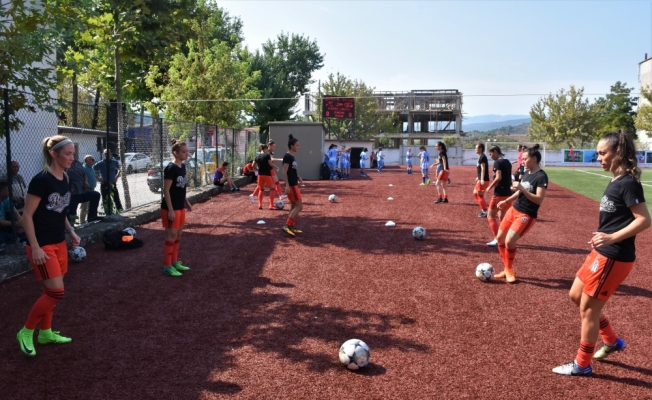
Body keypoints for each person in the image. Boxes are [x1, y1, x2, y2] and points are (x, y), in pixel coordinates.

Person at [552, 131, 651, 376]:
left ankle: (582, 364)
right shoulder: (616, 180)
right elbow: (617, 218)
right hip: (601, 252)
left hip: (614, 256)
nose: (598, 157)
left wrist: (611, 237)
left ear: (617, 152)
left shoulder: (628, 182)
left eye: (602, 152)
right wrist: (602, 236)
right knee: (576, 295)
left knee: (588, 309)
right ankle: (612, 341)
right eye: (598, 153)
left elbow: (644, 220)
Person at [16, 135, 81, 357]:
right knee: (55, 292)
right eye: (68, 154)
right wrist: (34, 247)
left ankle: (45, 333)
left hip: (59, 241)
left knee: (51, 291)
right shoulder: (41, 180)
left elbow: (60, 210)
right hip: (42, 245)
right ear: (54, 154)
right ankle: (26, 332)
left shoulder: (64, 178)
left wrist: (70, 230)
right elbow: (26, 217)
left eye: (73, 153)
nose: (72, 158)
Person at [494, 144, 547, 283]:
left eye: (525, 159)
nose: (522, 161)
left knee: (509, 241)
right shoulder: (527, 173)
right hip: (514, 209)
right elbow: (519, 191)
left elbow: (539, 199)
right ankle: (506, 268)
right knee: (500, 238)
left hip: (526, 214)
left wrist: (522, 188)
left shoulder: (541, 177)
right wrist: (507, 200)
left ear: (534, 159)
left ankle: (509, 269)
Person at [161, 139, 193, 277]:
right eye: (184, 152)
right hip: (171, 208)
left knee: (178, 235)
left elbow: (182, 187)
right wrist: (171, 210)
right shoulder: (170, 168)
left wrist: (186, 201)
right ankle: (167, 267)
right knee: (171, 236)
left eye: (187, 152)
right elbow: (166, 190)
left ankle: (174, 263)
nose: (187, 154)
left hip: (180, 206)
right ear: (176, 153)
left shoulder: (183, 167)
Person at [485, 145, 513, 247]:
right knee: (503, 218)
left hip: (499, 193)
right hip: (508, 193)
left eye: (491, 154)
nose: (490, 156)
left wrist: (490, 187)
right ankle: (506, 237)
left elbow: (498, 177)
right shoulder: (507, 162)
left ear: (496, 152)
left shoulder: (498, 162)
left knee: (490, 216)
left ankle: (497, 238)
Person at [66, 154, 101, 225]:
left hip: (82, 190)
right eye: (69, 154)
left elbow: (84, 174)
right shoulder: (64, 164)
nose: (72, 156)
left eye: (73, 154)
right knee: (72, 211)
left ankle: (92, 217)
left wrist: (85, 181)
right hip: (73, 193)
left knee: (95, 195)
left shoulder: (78, 163)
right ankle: (71, 226)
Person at [282, 134, 304, 236]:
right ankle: (287, 225)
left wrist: (298, 176)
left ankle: (290, 226)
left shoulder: (291, 157)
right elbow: (284, 172)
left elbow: (291, 171)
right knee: (299, 206)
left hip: (293, 182)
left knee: (294, 205)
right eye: (297, 145)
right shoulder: (287, 156)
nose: (298, 147)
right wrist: (287, 185)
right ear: (292, 146)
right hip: (291, 185)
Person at [94, 149, 123, 214]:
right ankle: (108, 214)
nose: (107, 155)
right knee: (105, 199)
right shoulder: (100, 163)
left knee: (116, 198)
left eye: (108, 153)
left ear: (111, 154)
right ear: (103, 154)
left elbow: (119, 169)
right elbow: (92, 169)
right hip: (104, 183)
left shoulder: (114, 162)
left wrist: (116, 177)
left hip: (112, 183)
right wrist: (98, 178)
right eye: (105, 153)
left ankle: (120, 211)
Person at [255, 143, 280, 210]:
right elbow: (270, 164)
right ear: (265, 149)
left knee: (261, 189)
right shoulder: (267, 155)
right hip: (267, 174)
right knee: (273, 188)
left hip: (260, 175)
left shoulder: (257, 156)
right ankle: (271, 205)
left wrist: (256, 170)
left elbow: (252, 165)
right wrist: (277, 167)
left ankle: (260, 205)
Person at [79, 155, 98, 224]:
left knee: (91, 206)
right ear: (86, 160)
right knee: (84, 207)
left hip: (92, 189)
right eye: (91, 159)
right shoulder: (83, 168)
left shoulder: (91, 168)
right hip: (86, 190)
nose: (93, 160)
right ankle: (82, 222)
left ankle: (90, 220)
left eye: (93, 159)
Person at [473, 143, 490, 218]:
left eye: (476, 148)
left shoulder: (482, 157)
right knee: (475, 194)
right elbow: (480, 169)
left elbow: (483, 168)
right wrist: (478, 177)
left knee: (479, 195)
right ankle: (484, 209)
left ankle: (485, 211)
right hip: (481, 178)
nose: (475, 149)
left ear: (480, 149)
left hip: (484, 180)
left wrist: (482, 179)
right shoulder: (480, 156)